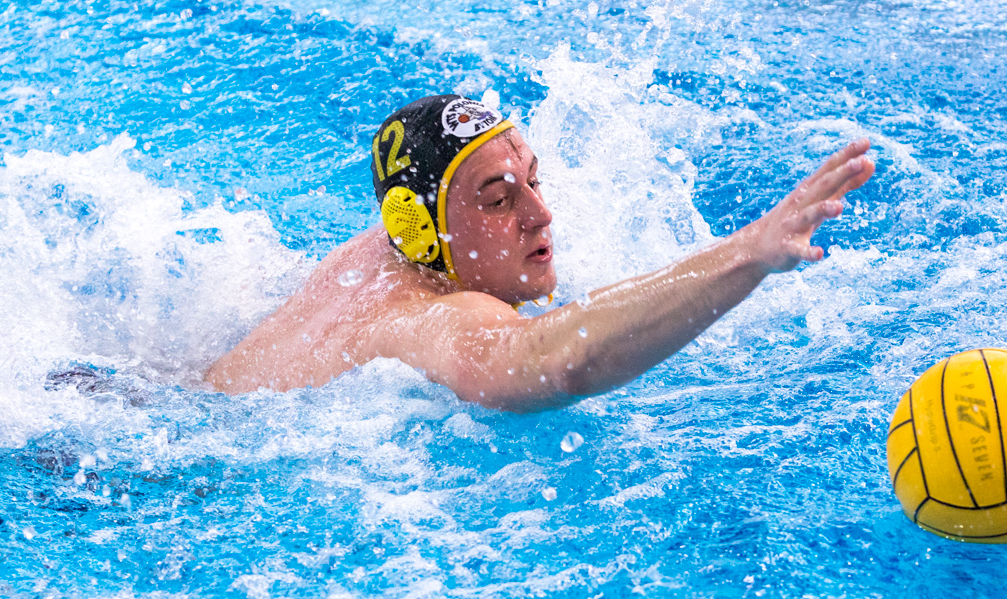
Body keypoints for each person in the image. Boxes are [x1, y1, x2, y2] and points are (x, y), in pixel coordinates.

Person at [209, 95, 875, 410]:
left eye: (533, 177)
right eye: (498, 200)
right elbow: (557, 362)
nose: (540, 212)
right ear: (417, 230)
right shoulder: (432, 318)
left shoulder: (367, 257)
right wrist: (745, 256)